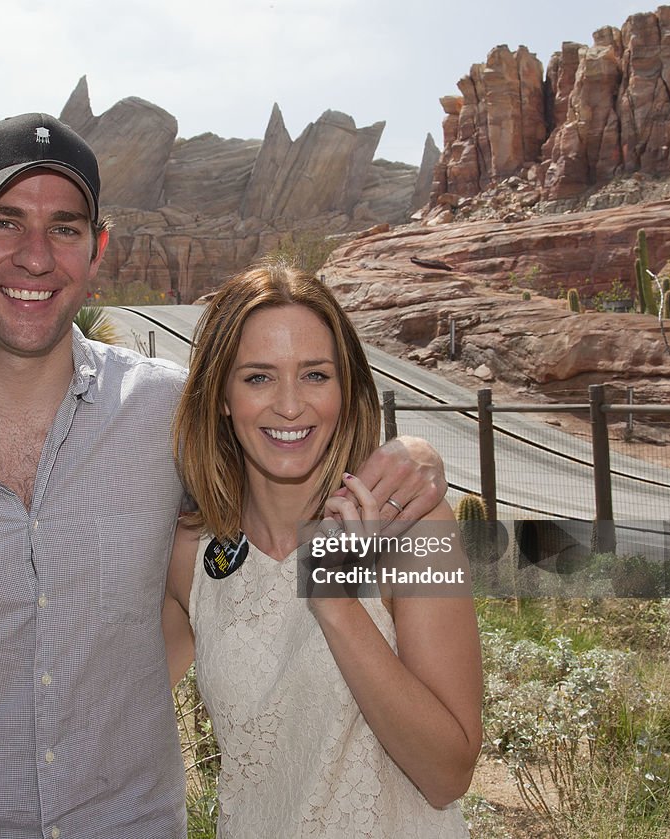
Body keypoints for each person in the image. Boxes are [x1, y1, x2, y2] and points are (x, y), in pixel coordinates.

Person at [0, 113, 448, 839]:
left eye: (64, 228)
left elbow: (287, 465)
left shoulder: (171, 413)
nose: (35, 257)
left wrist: (410, 454)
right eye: (6, 222)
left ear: (97, 248)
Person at [161, 261, 483, 836]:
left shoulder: (410, 525)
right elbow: (106, 698)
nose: (290, 405)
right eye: (258, 377)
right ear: (221, 397)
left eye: (315, 375)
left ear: (346, 388)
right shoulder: (191, 553)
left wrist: (335, 602)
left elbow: (447, 773)